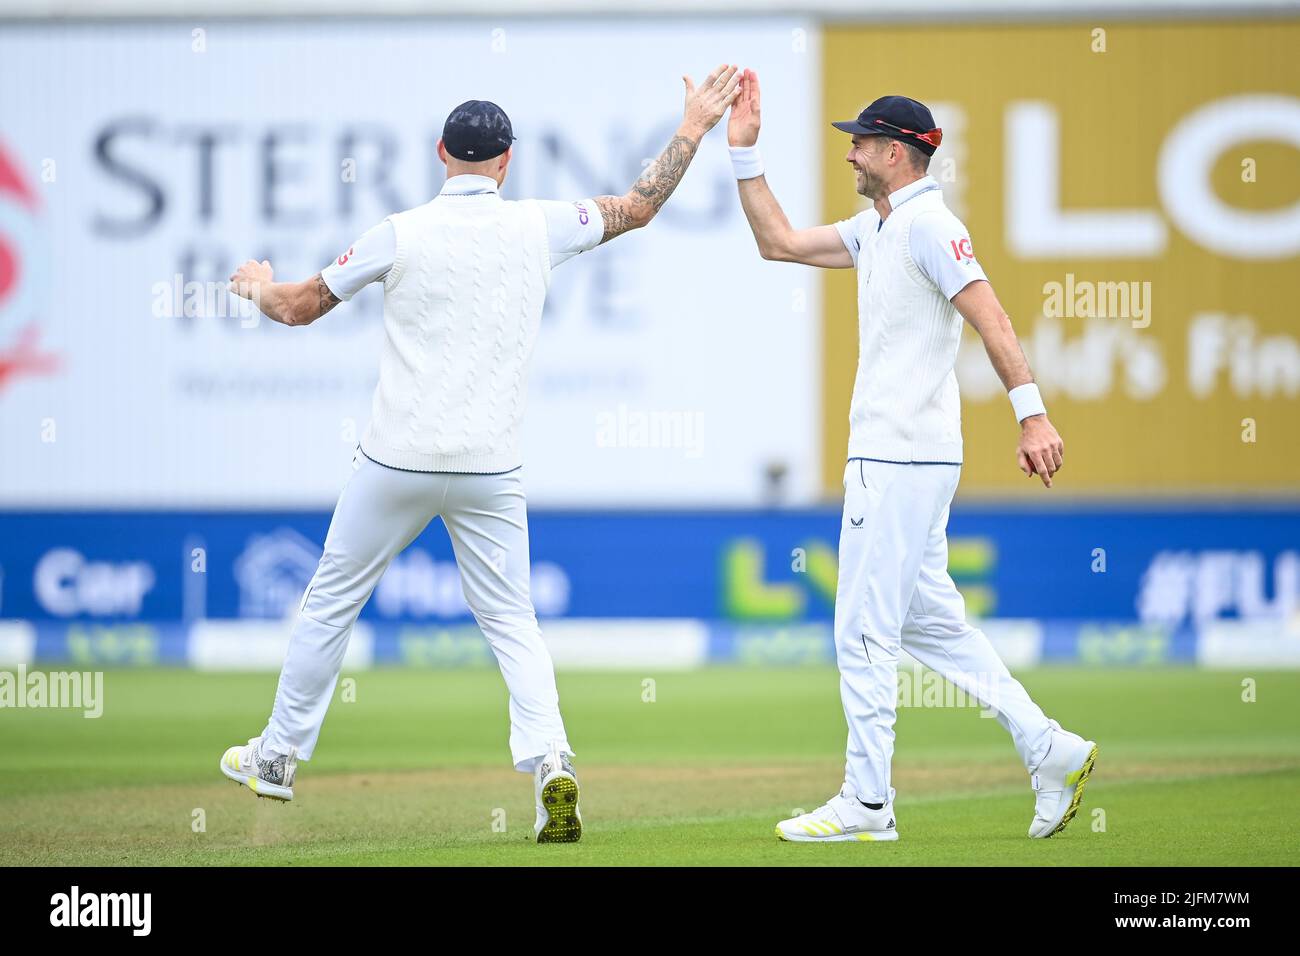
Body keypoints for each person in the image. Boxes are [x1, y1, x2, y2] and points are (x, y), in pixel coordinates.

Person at [222, 67, 742, 844]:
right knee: (512, 621)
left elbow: (298, 308)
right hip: (488, 468)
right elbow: (640, 206)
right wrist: (693, 126)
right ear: (506, 161)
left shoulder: (399, 231)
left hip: (395, 459)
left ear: (442, 153)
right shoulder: (541, 222)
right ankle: (552, 764)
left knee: (330, 603)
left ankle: (278, 760)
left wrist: (256, 288)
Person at [726, 72, 1096, 842]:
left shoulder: (930, 225)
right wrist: (743, 154)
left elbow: (991, 317)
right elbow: (779, 243)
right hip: (910, 458)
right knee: (933, 625)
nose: (851, 153)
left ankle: (868, 803)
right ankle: (1049, 748)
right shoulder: (880, 227)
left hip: (896, 458)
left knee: (861, 630)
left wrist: (1033, 417)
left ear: (897, 154)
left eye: (861, 143)